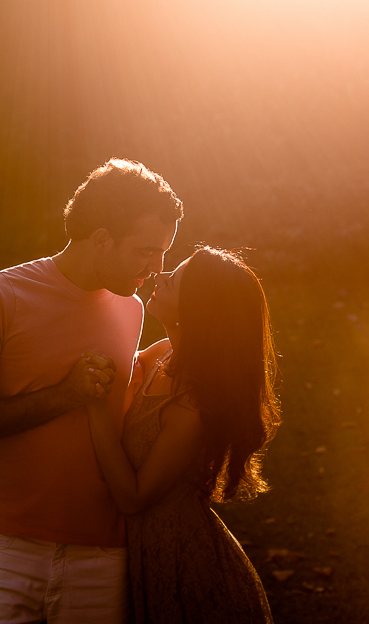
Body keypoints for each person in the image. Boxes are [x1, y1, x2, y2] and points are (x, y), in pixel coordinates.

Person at [0, 158, 184, 624]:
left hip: (104, 554)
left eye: (163, 252)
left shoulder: (131, 309)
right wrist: (63, 395)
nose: (158, 267)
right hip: (5, 548)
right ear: (103, 239)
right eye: (147, 251)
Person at [81, 246, 280, 623]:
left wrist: (94, 407)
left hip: (182, 561)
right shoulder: (162, 355)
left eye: (176, 280)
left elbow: (134, 497)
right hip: (141, 551)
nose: (161, 276)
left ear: (199, 308)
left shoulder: (192, 404)